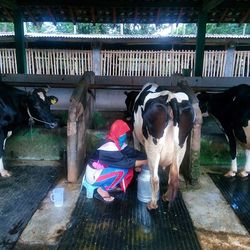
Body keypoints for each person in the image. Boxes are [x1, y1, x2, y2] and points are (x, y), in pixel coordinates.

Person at [84, 119, 147, 203]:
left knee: (125, 166)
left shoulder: (116, 142)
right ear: (116, 133)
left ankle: (108, 185)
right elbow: (126, 163)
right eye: (122, 134)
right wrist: (146, 161)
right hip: (93, 176)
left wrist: (148, 156)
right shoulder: (109, 146)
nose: (124, 136)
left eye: (125, 133)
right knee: (123, 170)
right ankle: (102, 189)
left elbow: (132, 152)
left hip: (99, 171)